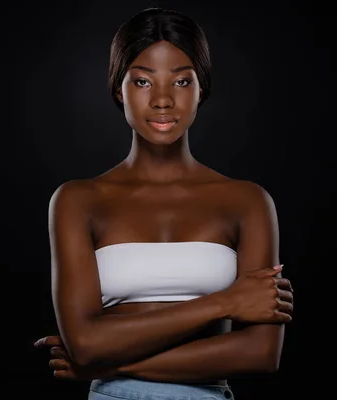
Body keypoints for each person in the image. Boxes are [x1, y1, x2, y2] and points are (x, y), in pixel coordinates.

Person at [33, 7, 294, 400]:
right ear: (117, 89)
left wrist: (106, 362)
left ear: (201, 88)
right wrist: (225, 302)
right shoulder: (77, 200)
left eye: (182, 81)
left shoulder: (247, 201)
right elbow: (84, 343)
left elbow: (260, 353)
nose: (162, 100)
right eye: (141, 81)